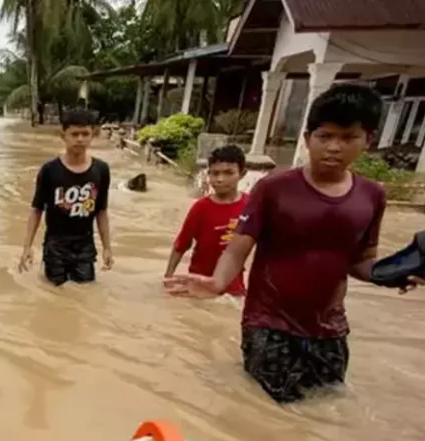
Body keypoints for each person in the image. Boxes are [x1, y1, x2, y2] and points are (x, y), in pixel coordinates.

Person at [167, 85, 423, 403]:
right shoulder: (273, 189)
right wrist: (217, 282)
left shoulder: (372, 196)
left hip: (330, 328)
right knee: (264, 410)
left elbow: (360, 261)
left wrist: (396, 272)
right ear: (307, 138)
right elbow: (237, 247)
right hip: (268, 324)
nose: (334, 147)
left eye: (347, 138)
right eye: (325, 136)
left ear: (367, 141)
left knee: (326, 412)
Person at [19, 108, 113, 284]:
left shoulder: (101, 170)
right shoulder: (49, 170)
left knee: (85, 291)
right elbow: (37, 209)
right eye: (75, 134)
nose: (80, 139)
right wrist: (27, 247)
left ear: (93, 134)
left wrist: (107, 247)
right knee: (56, 293)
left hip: (85, 245)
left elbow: (101, 211)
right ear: (64, 135)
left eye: (85, 134)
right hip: (56, 245)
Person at [164, 145, 248, 296]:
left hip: (234, 288)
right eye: (215, 173)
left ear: (242, 174)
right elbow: (181, 244)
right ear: (208, 174)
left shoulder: (251, 206)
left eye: (228, 173)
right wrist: (168, 278)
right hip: (198, 286)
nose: (220, 179)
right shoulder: (201, 208)